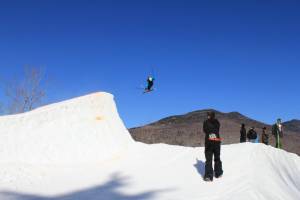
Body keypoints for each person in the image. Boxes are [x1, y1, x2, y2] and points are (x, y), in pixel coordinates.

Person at [203, 111, 223, 181]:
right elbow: (217, 129)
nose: (207, 116)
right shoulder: (217, 122)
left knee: (209, 159)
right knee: (217, 157)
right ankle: (218, 173)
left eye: (208, 115)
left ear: (210, 116)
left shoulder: (206, 122)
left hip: (209, 142)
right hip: (217, 141)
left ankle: (209, 175)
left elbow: (205, 130)